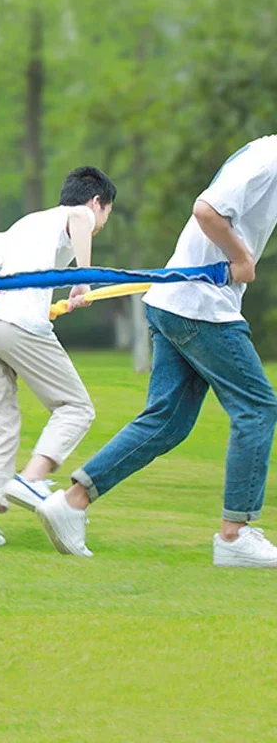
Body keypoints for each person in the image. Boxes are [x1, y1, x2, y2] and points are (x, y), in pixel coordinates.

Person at [37, 135, 277, 567]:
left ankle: (71, 502)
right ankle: (235, 534)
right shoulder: (267, 158)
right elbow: (206, 210)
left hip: (176, 304)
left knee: (166, 422)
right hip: (201, 307)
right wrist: (241, 257)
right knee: (257, 408)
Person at [0, 167, 116, 547]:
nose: (99, 223)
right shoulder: (75, 214)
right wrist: (83, 278)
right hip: (16, 322)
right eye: (104, 214)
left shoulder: (24, 225)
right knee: (76, 407)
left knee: (0, 426)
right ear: (96, 202)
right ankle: (32, 478)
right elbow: (80, 218)